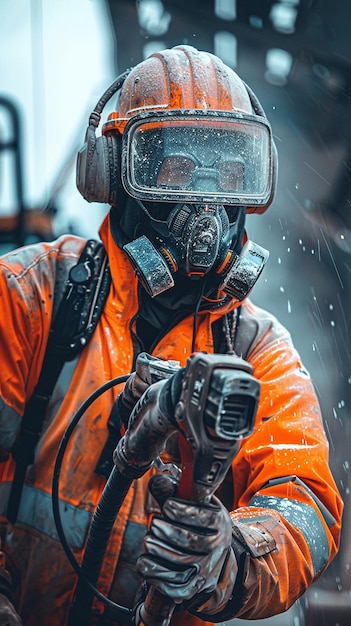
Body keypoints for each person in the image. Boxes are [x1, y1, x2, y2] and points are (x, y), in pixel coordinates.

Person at [0, 44, 343, 626]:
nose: (206, 203)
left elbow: (305, 506)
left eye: (232, 172)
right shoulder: (31, 298)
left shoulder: (259, 351)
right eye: (178, 168)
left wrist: (231, 557)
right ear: (114, 175)